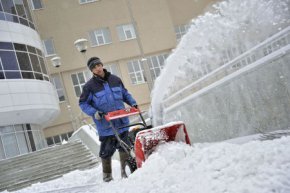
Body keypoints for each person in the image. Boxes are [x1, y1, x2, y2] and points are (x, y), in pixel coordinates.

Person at [79, 57, 138, 182]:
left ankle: (126, 173)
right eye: (94, 67)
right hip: (106, 126)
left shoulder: (115, 80)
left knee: (125, 148)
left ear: (102, 64)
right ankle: (107, 177)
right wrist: (94, 112)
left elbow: (125, 94)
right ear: (92, 70)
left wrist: (133, 103)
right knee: (106, 152)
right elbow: (83, 104)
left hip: (121, 123)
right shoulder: (89, 87)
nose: (98, 68)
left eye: (99, 65)